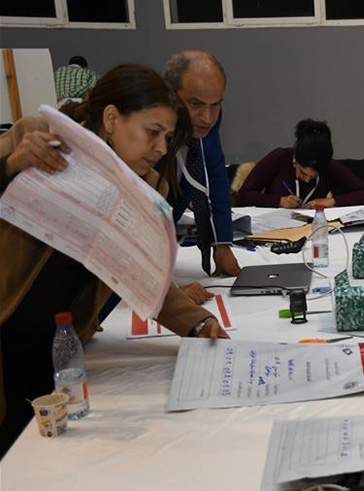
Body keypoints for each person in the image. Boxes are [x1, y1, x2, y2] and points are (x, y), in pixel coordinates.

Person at [0, 64, 230, 457]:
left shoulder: (144, 188)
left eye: (168, 137)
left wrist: (196, 323)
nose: (161, 148)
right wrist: (9, 166)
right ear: (111, 119)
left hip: (58, 348)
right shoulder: (38, 138)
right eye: (152, 133)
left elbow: (141, 271)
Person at [162, 50, 240, 277]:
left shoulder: (208, 121)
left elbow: (215, 173)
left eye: (216, 104)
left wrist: (221, 242)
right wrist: (169, 291)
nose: (207, 117)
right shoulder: (148, 129)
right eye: (195, 103)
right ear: (170, 96)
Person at [237, 119, 364, 208]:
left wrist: (331, 201)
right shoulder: (280, 157)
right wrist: (279, 201)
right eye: (303, 173)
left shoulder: (328, 166)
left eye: (314, 176)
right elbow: (243, 195)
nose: (308, 180)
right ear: (296, 161)